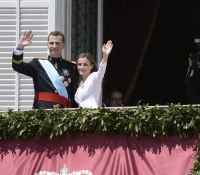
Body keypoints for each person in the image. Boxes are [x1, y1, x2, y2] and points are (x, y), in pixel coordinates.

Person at [12, 30, 79, 109]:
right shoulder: (38, 64)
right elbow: (17, 66)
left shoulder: (72, 67)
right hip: (41, 111)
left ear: (63, 45)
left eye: (57, 43)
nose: (54, 46)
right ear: (47, 45)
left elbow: (73, 94)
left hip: (63, 113)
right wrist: (20, 47)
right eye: (51, 43)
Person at [74, 40, 113, 108]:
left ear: (91, 66)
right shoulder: (80, 84)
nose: (82, 67)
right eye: (79, 64)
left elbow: (101, 71)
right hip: (82, 116)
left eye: (85, 65)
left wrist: (105, 56)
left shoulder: (94, 77)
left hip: (92, 115)